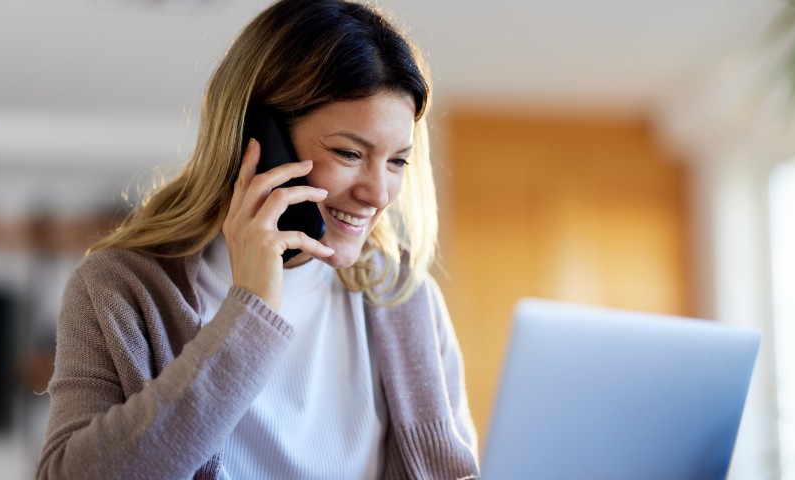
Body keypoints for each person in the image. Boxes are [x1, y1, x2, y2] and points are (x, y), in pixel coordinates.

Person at [35, 0, 479, 479]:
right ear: (259, 139)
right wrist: (252, 312)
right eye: (350, 152)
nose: (378, 193)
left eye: (397, 161)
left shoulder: (405, 298)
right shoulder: (120, 290)